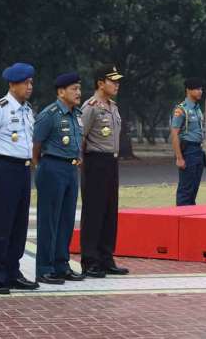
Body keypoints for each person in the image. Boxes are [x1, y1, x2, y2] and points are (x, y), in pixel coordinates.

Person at [0, 62, 39, 294]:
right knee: (0, 224)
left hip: (22, 170)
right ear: (13, 84)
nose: (30, 86)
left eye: (31, 82)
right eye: (25, 82)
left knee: (19, 224)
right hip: (4, 168)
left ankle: (13, 271)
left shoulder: (27, 110)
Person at [33, 72, 86, 284]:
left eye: (79, 89)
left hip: (71, 170)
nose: (78, 93)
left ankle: (61, 264)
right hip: (52, 167)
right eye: (74, 89)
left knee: (66, 219)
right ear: (61, 91)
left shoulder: (77, 114)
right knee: (49, 220)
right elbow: (35, 145)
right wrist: (42, 165)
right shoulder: (50, 114)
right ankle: (44, 268)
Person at [79, 65, 129, 278]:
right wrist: (81, 162)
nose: (116, 84)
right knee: (94, 212)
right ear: (100, 83)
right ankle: (90, 260)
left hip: (111, 162)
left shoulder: (113, 106)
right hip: (95, 162)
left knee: (110, 211)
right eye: (113, 81)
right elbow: (80, 136)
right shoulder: (90, 107)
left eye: (117, 81)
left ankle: (106, 257)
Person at [170, 78, 206, 206]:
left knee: (194, 189)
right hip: (188, 150)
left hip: (198, 150)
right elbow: (174, 134)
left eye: (201, 89)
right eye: (197, 89)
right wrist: (179, 158)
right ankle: (181, 218)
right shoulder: (181, 110)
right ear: (188, 90)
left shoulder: (197, 108)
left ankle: (191, 218)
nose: (200, 91)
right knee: (185, 190)